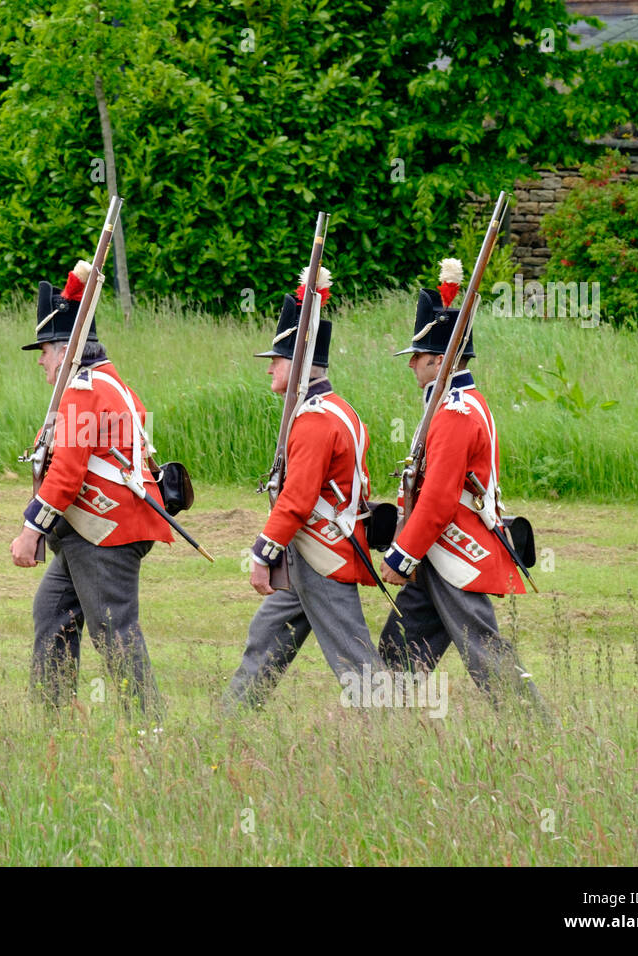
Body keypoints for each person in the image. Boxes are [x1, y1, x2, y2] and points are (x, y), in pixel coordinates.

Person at [378, 259, 547, 714]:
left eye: (418, 355)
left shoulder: (454, 412)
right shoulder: (455, 403)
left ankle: (536, 727)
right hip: (438, 549)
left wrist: (400, 553)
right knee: (399, 644)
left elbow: (437, 498)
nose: (412, 363)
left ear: (438, 359)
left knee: (484, 652)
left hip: (456, 548)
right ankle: (374, 727)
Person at [10, 260, 172, 717]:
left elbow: (66, 474)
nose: (40, 359)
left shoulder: (82, 388)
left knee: (114, 631)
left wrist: (31, 530)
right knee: (52, 612)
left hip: (107, 531)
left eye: (44, 349)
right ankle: (51, 717)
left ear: (64, 349)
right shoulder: (105, 380)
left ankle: (150, 726)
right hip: (98, 528)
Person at [224, 268, 387, 709]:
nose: (270, 369)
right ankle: (229, 721)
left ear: (298, 364)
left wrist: (261, 554)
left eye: (276, 360)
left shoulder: (315, 420)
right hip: (314, 550)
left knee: (353, 658)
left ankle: (390, 730)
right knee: (266, 636)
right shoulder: (336, 409)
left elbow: (296, 500)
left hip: (321, 551)